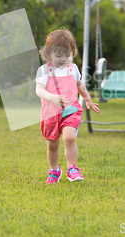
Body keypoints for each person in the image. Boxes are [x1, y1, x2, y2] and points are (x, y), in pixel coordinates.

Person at [35, 28, 100, 184]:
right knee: (52, 145)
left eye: (67, 55)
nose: (63, 59)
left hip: (70, 111)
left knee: (69, 138)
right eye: (59, 55)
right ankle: (54, 170)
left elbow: (80, 85)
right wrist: (53, 98)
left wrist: (88, 99)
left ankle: (72, 168)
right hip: (50, 113)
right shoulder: (44, 71)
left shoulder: (73, 69)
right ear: (48, 54)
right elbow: (39, 90)